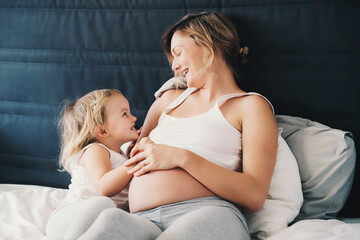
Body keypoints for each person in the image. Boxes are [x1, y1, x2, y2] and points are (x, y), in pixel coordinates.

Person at [76, 11, 278, 240]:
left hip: (207, 212)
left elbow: (254, 194)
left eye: (178, 53)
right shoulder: (167, 101)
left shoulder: (250, 106)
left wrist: (182, 157)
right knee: (107, 226)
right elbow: (130, 157)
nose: (175, 66)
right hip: (143, 218)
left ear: (210, 43)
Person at [45, 89, 140, 239]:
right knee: (102, 205)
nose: (133, 118)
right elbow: (103, 186)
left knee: (111, 215)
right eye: (125, 114)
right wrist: (135, 162)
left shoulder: (121, 154)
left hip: (89, 224)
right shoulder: (96, 150)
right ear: (102, 131)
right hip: (68, 218)